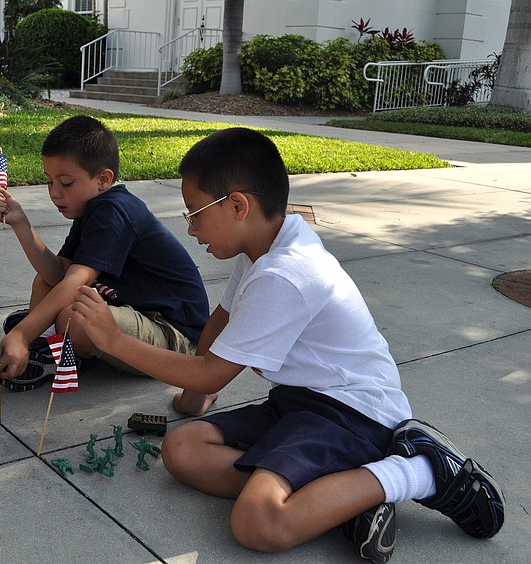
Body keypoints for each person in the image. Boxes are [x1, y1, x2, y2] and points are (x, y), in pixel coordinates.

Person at [70, 128, 505, 561]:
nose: (192, 229)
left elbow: (213, 371)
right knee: (182, 449)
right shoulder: (263, 248)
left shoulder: (285, 274)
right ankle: (335, 503)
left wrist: (113, 339)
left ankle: (424, 472)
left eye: (195, 214)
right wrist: (192, 399)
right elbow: (218, 324)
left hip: (354, 413)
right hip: (302, 402)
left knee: (257, 523)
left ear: (238, 205)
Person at [0, 115, 209, 392]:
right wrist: (21, 223)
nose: (55, 193)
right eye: (49, 182)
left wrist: (23, 333)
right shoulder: (92, 209)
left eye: (66, 183)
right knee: (45, 283)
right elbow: (57, 274)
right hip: (133, 313)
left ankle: (55, 356)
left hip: (173, 334)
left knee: (74, 318)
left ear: (104, 179)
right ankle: (47, 340)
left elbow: (75, 281)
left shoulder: (113, 211)